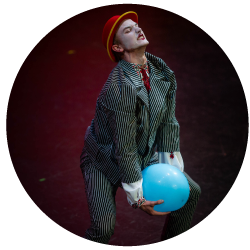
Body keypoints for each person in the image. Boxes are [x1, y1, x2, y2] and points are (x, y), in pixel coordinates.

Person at [80, 11, 201, 245]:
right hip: (102, 161)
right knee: (103, 228)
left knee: (191, 191)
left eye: (136, 26)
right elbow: (123, 146)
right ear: (117, 48)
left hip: (140, 153)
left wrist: (169, 158)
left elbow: (168, 120)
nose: (137, 29)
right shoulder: (119, 88)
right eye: (128, 30)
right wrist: (137, 196)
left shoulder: (162, 73)